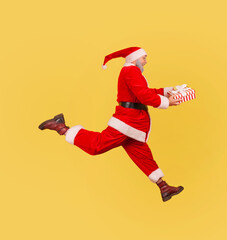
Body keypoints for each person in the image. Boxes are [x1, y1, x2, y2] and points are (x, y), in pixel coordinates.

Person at [38, 47, 184, 202]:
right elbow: (144, 95)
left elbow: (147, 91)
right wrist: (167, 101)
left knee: (143, 156)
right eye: (144, 58)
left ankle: (164, 187)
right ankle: (61, 127)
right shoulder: (131, 71)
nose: (146, 62)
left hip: (134, 125)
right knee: (97, 145)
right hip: (128, 122)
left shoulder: (132, 72)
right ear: (134, 59)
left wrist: (168, 92)